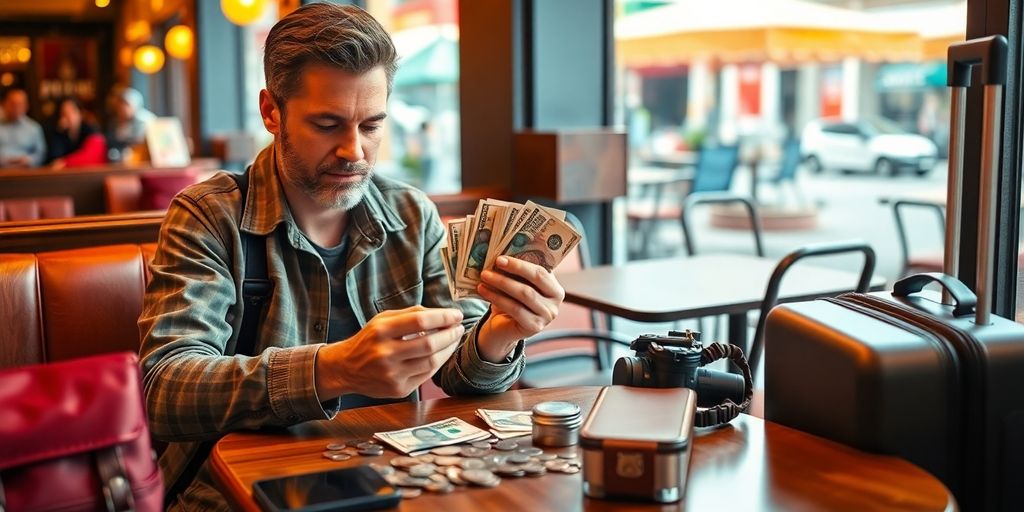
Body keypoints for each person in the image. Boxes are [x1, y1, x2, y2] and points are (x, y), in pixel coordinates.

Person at [138, 4, 565, 510]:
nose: (354, 151)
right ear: (271, 112)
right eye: (327, 124)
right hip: (238, 492)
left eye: (371, 126)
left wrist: (500, 334)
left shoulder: (411, 214)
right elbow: (163, 389)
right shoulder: (210, 217)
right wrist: (333, 369)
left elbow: (461, 373)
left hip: (392, 481)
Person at [46, 97, 107, 168]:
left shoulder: (91, 130)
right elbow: (54, 160)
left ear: (81, 113)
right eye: (64, 113)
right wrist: (59, 132)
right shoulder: (59, 133)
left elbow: (92, 157)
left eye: (72, 111)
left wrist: (66, 162)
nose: (69, 116)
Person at [0, 88, 46, 167]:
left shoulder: (34, 128)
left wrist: (29, 160)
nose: (16, 108)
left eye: (20, 104)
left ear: (26, 106)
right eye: (13, 104)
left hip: (26, 173)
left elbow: (41, 154)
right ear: (4, 104)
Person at [107, 86, 156, 160]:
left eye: (126, 105)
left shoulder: (144, 119)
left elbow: (138, 143)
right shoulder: (119, 121)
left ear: (135, 104)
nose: (122, 109)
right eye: (120, 106)